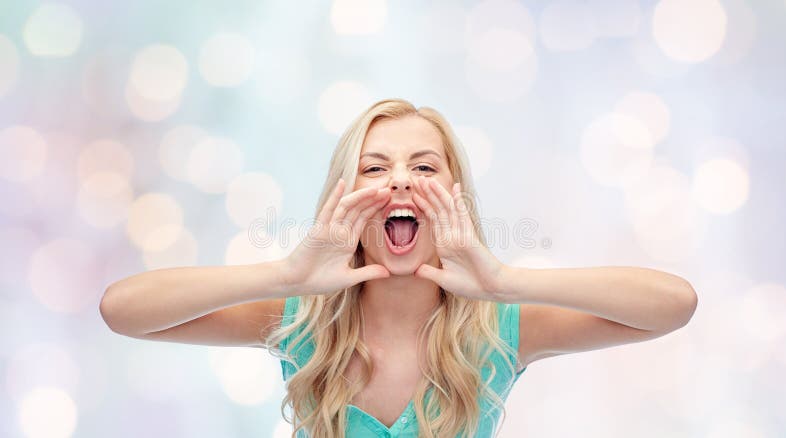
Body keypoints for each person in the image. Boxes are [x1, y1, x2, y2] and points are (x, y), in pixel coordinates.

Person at [100, 98, 698, 438]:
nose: (401, 181)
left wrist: (503, 282)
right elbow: (122, 312)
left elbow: (674, 304)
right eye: (374, 168)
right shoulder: (296, 323)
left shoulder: (502, 331)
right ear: (345, 200)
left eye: (425, 167)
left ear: (454, 202)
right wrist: (284, 275)